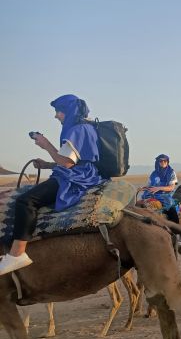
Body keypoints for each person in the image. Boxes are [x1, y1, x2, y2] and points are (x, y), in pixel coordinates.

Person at [0, 94, 105, 275]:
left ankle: (17, 253)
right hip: (83, 172)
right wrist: (47, 164)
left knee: (26, 201)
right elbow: (73, 159)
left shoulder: (76, 130)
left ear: (68, 111)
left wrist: (46, 144)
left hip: (76, 177)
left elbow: (66, 164)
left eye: (59, 111)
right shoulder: (85, 127)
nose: (56, 115)